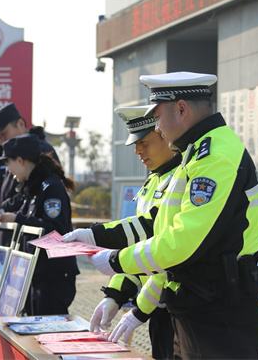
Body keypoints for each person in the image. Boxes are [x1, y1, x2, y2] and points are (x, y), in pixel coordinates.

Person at [88, 72, 258, 359]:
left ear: (181, 109)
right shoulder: (196, 154)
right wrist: (95, 239)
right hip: (198, 307)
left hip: (219, 316)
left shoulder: (214, 157)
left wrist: (116, 260)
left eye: (157, 117)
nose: (157, 127)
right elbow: (158, 224)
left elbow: (181, 241)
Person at [63, 105, 180, 359]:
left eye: (145, 143)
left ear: (165, 135)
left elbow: (152, 236)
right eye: (135, 145)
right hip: (159, 308)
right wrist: (115, 296)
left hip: (181, 306)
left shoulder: (182, 180)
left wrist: (94, 236)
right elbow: (140, 250)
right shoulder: (153, 181)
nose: (138, 151)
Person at [0, 134, 79, 315]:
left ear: (20, 161)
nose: (8, 170)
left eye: (9, 163)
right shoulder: (32, 187)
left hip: (53, 277)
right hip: (35, 273)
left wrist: (17, 219)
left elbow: (57, 230)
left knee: (46, 333)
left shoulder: (50, 187)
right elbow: (13, 205)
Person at [0, 103, 60, 246]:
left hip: (35, 244)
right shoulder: (12, 151)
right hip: (16, 238)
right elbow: (21, 194)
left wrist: (2, 207)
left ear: (21, 124)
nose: (2, 141)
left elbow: (31, 195)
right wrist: (0, 204)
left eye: (4, 134)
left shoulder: (38, 150)